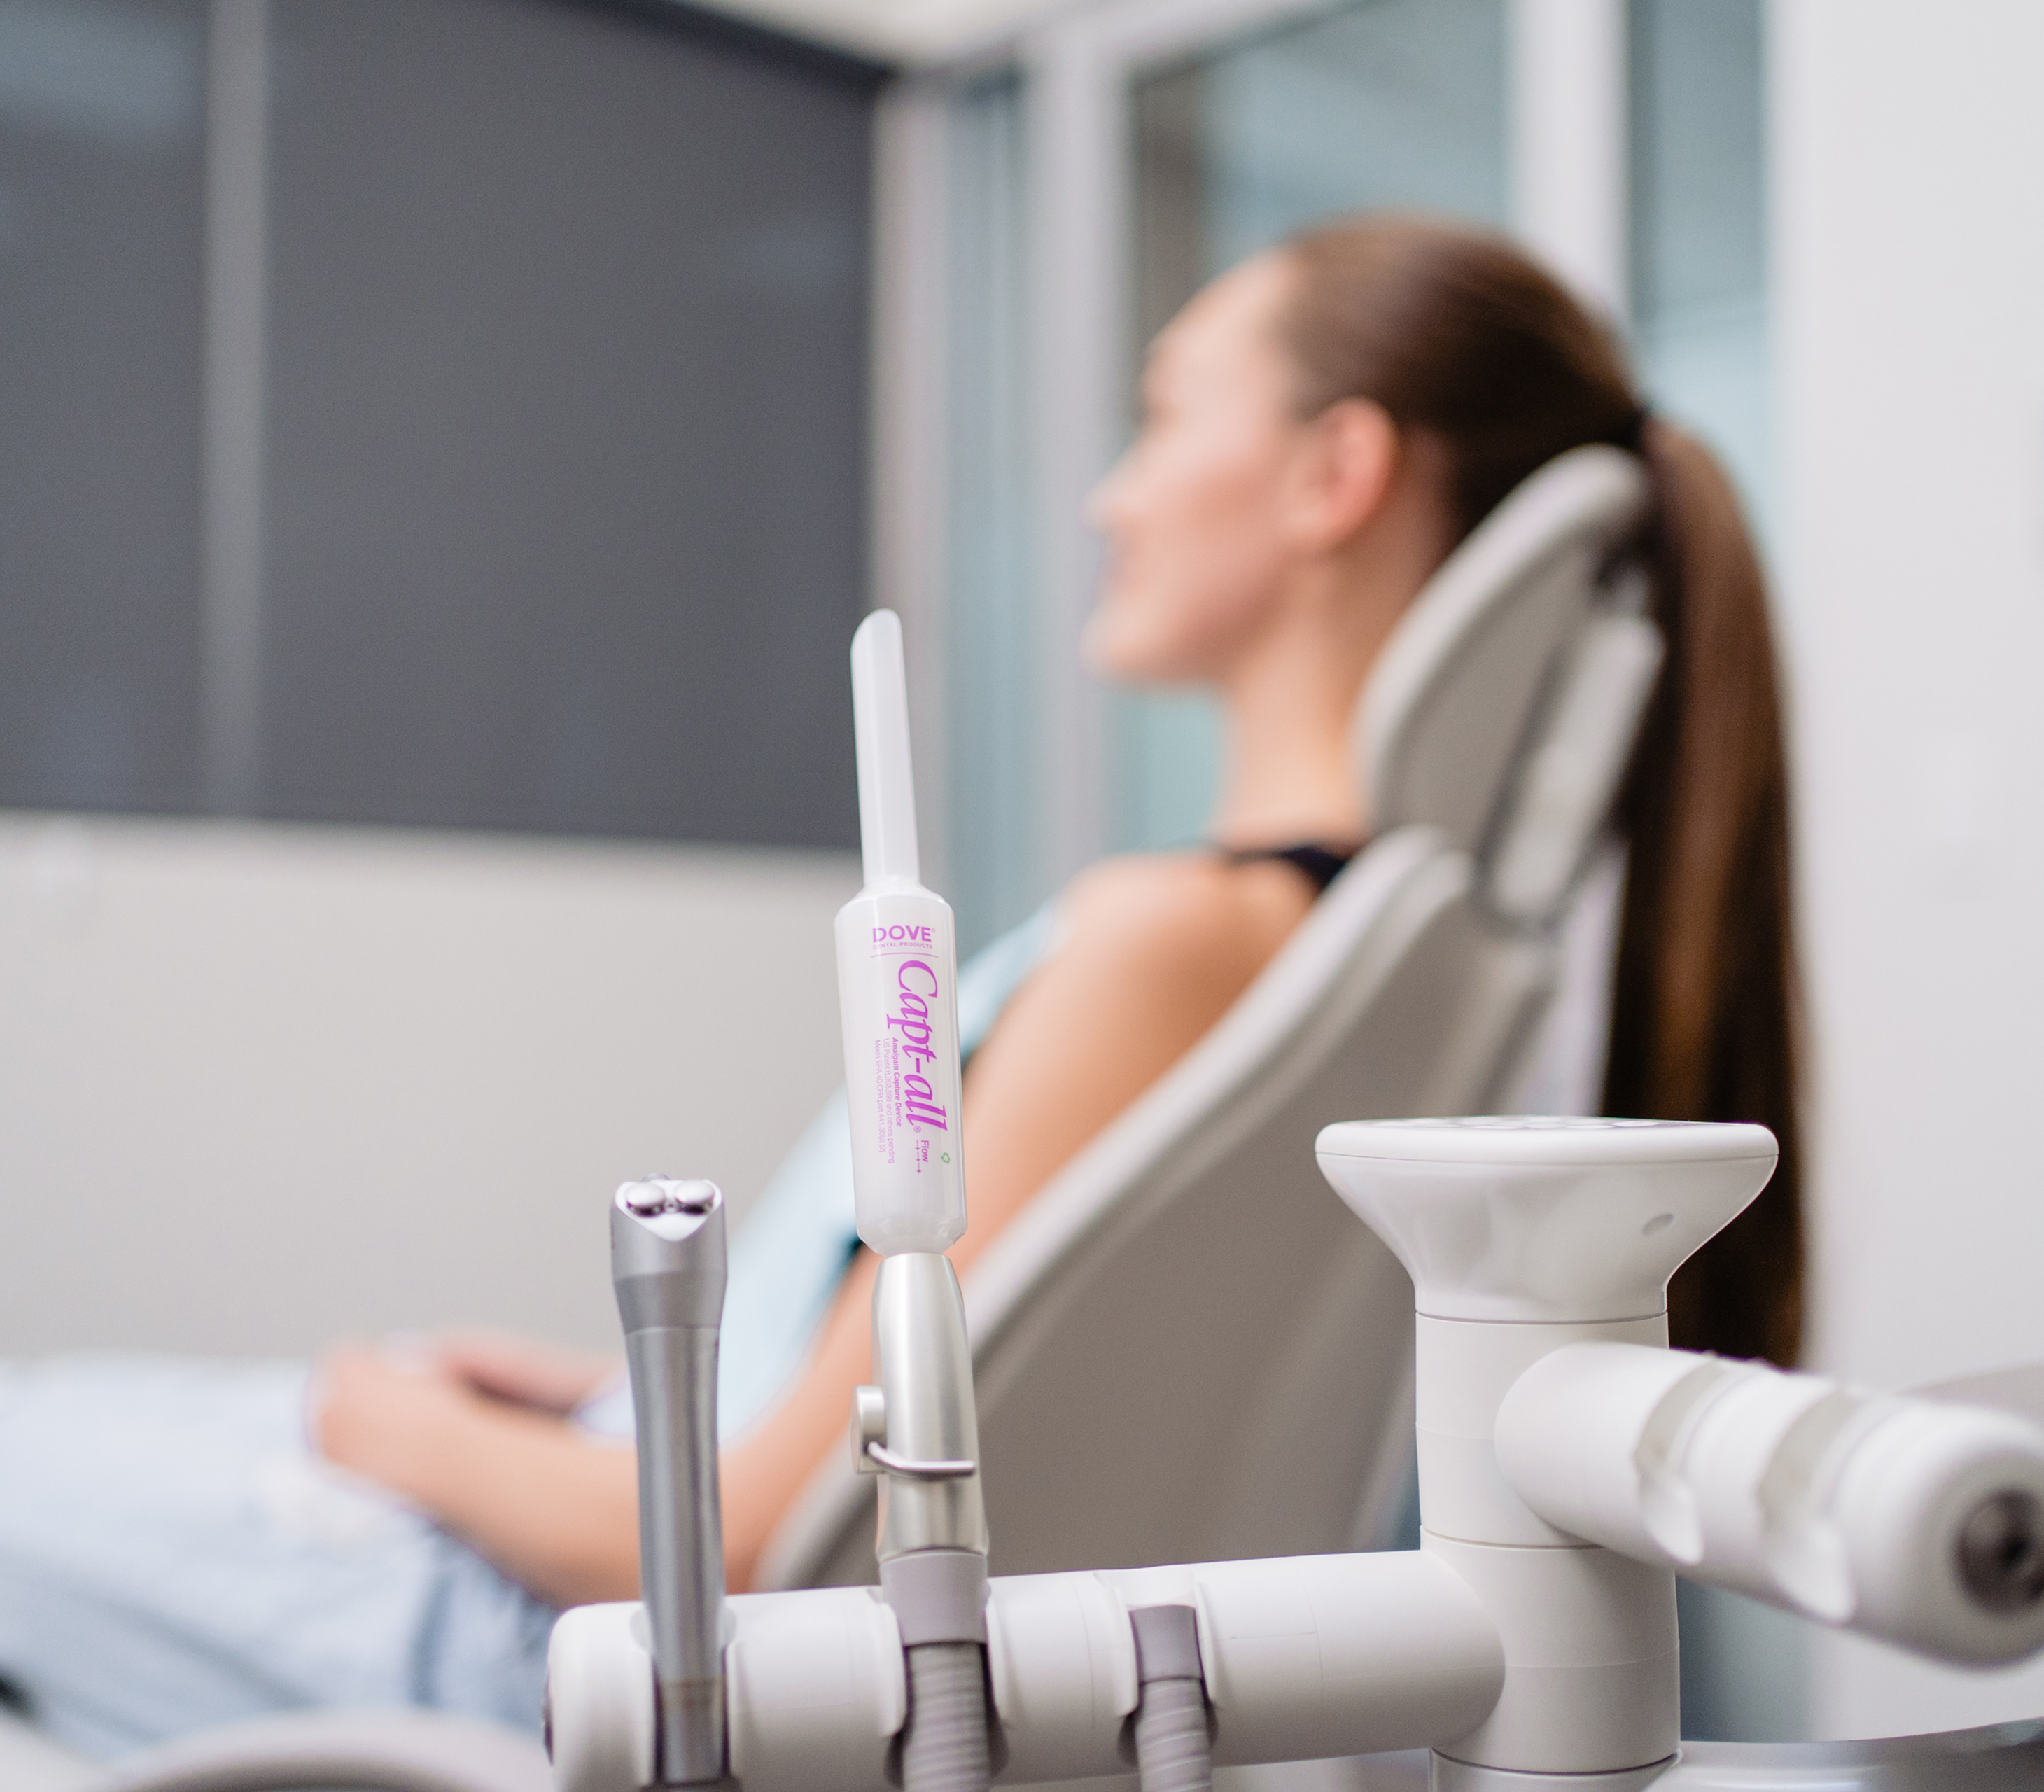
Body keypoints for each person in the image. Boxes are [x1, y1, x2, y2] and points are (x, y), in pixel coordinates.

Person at [0, 212, 1800, 1756]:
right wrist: (594, 1405)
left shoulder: (1173, 938)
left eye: (1162, 414)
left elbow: (743, 1547)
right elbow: (921, 1420)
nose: (1107, 493)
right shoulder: (1362, 956)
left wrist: (370, 1414)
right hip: (628, 1505)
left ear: (1332, 471)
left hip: (569, 1648)